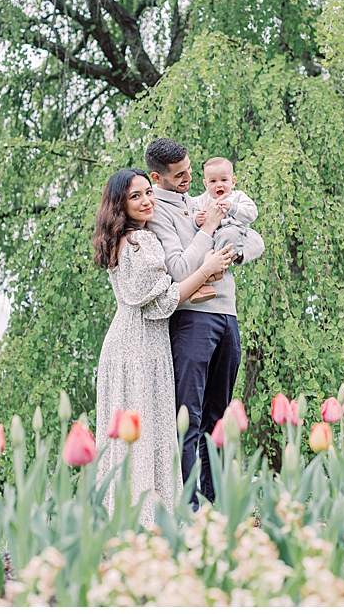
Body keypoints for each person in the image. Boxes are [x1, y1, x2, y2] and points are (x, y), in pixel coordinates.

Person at [92, 168, 233, 527]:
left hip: (134, 342)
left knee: (142, 431)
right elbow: (157, 303)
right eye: (135, 196)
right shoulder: (140, 241)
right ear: (120, 204)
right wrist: (207, 269)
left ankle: (132, 513)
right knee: (147, 429)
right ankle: (149, 517)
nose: (146, 201)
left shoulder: (122, 239)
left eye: (148, 193)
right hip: (138, 345)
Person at [144, 139, 265, 509]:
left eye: (190, 171)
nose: (190, 179)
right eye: (180, 175)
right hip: (193, 320)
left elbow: (256, 239)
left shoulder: (199, 201)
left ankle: (217, 503)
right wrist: (209, 229)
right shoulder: (158, 213)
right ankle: (189, 506)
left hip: (227, 315)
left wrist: (236, 251)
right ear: (157, 177)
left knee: (219, 415)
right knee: (188, 416)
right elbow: (179, 269)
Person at [189, 157, 262, 304]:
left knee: (229, 235)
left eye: (224, 180)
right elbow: (192, 216)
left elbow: (252, 213)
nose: (219, 185)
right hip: (211, 240)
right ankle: (204, 282)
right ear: (205, 184)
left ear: (233, 181)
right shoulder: (200, 200)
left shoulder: (238, 197)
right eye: (213, 181)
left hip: (233, 234)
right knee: (204, 251)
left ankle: (207, 279)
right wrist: (198, 219)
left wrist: (233, 208)